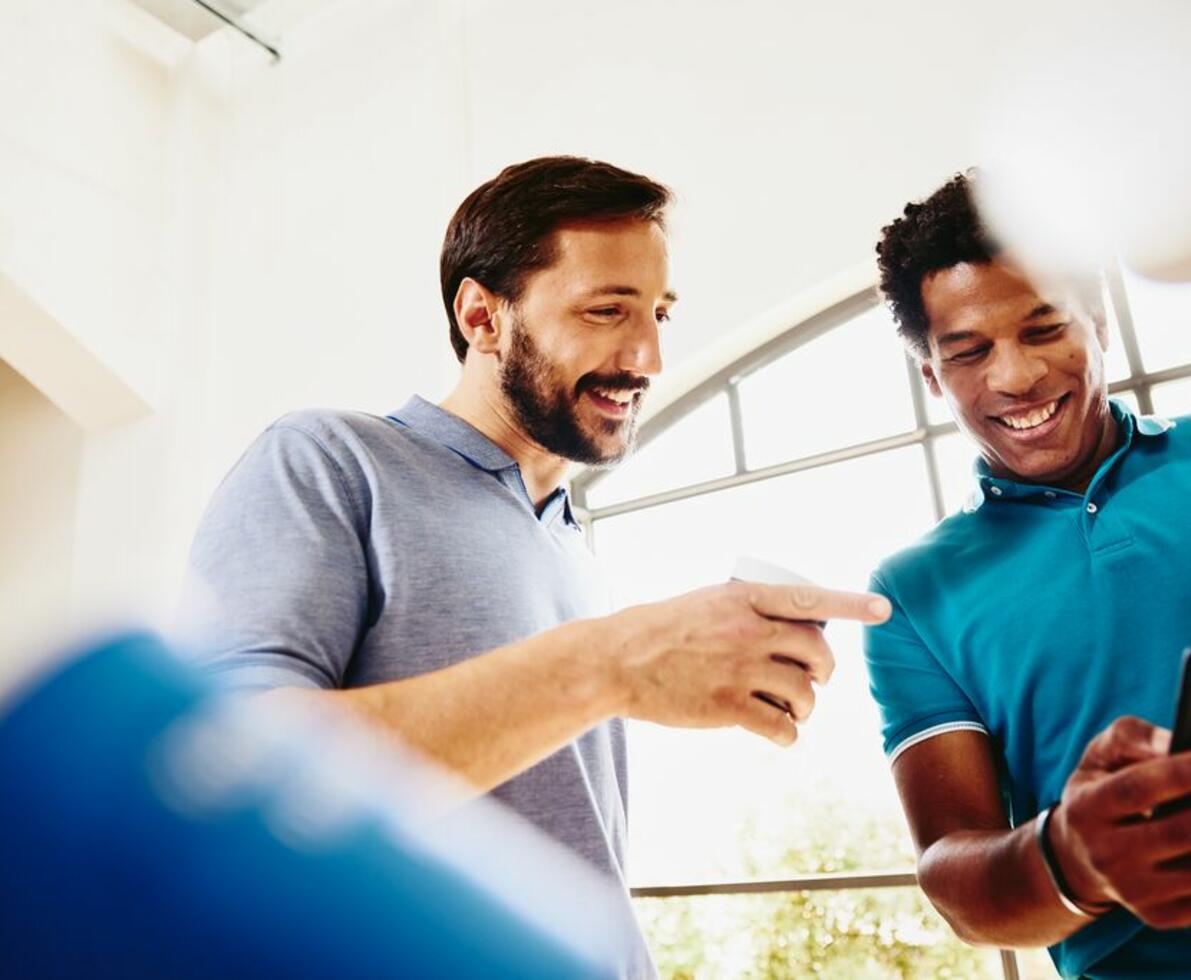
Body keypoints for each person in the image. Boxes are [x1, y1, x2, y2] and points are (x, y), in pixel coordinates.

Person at [181, 156, 890, 978]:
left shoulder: (565, 539)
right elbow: (226, 780)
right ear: (481, 316)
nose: (647, 356)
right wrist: (615, 662)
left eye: (660, 312)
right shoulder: (328, 461)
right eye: (604, 310)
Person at [865, 172, 1191, 978]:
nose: (1013, 378)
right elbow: (953, 877)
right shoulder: (911, 594)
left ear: (1099, 325)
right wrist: (1071, 856)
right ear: (933, 378)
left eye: (1043, 330)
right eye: (968, 352)